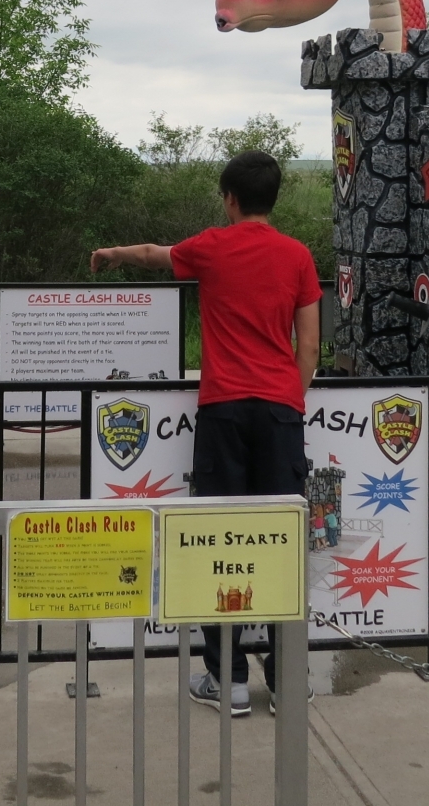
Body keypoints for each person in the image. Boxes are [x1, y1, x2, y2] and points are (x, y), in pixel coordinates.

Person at [90, 149, 320, 718]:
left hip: (223, 409)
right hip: (279, 411)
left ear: (230, 199)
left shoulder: (212, 247)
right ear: (273, 198)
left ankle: (229, 681)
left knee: (222, 541)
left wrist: (112, 253)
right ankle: (287, 681)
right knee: (282, 540)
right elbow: (310, 346)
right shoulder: (297, 256)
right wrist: (290, 400)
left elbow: (153, 254)